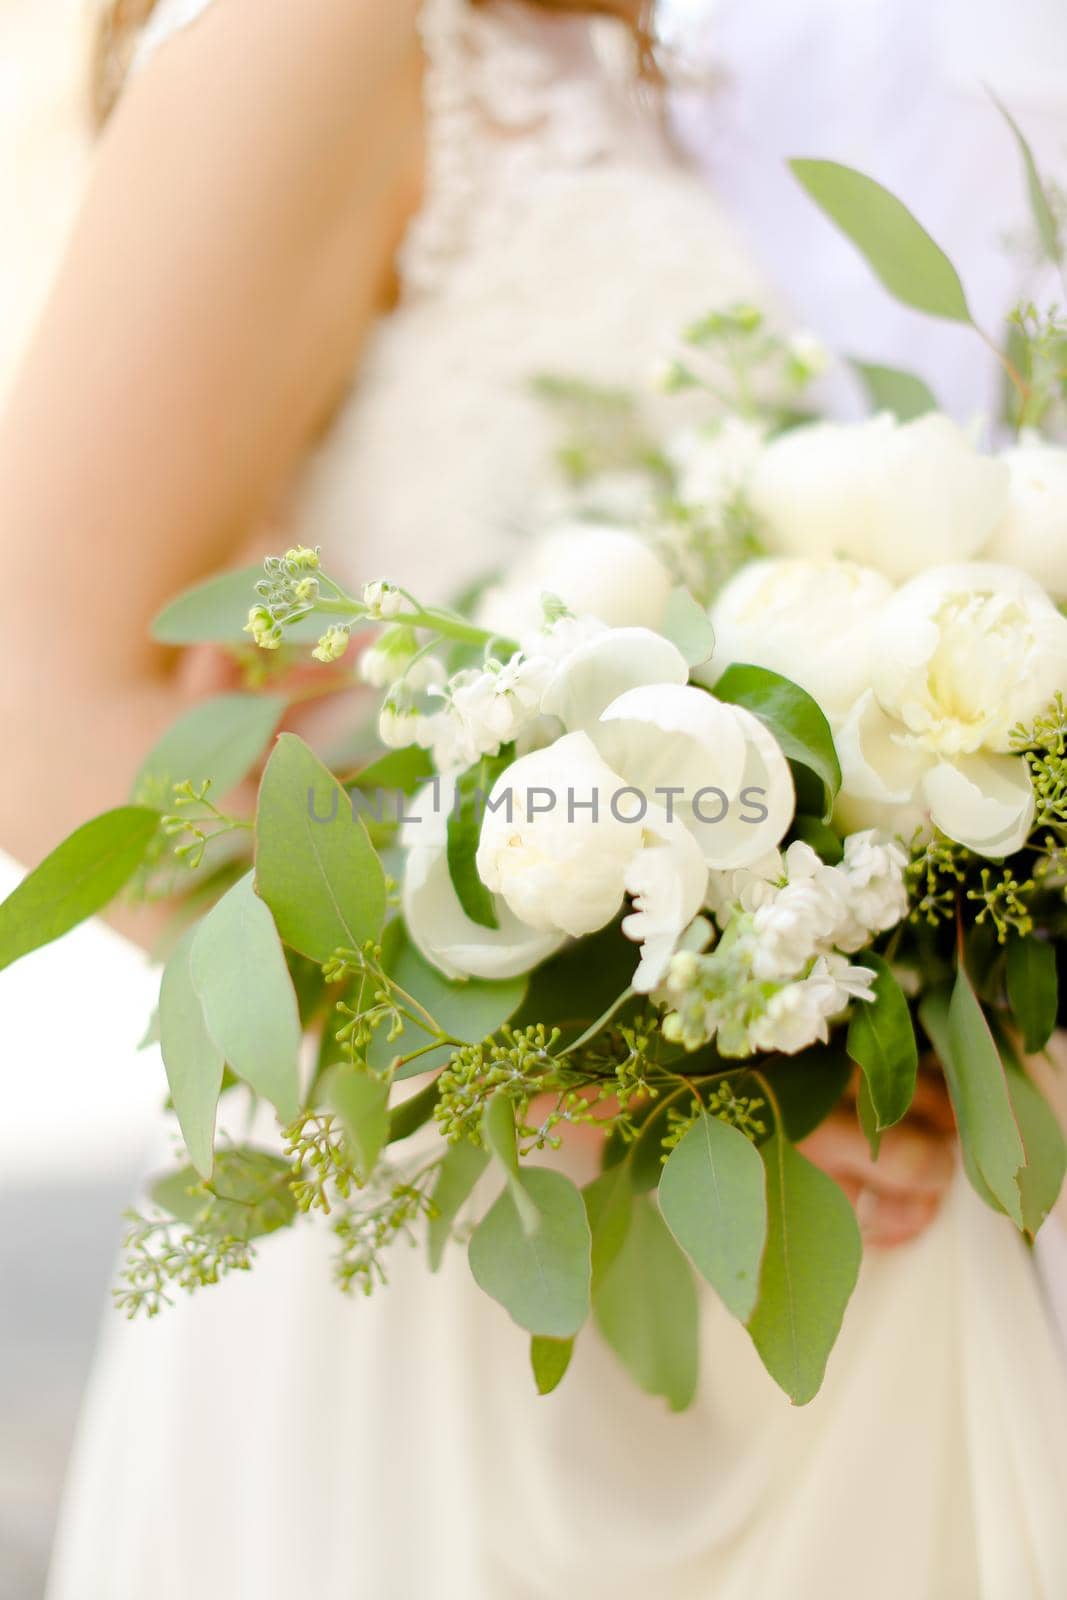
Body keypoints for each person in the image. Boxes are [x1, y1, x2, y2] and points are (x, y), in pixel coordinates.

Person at [0, 1, 1057, 1594]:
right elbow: (36, 692)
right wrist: (584, 1090)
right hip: (477, 1262)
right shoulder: (316, 34)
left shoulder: (623, 67)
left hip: (753, 1275)